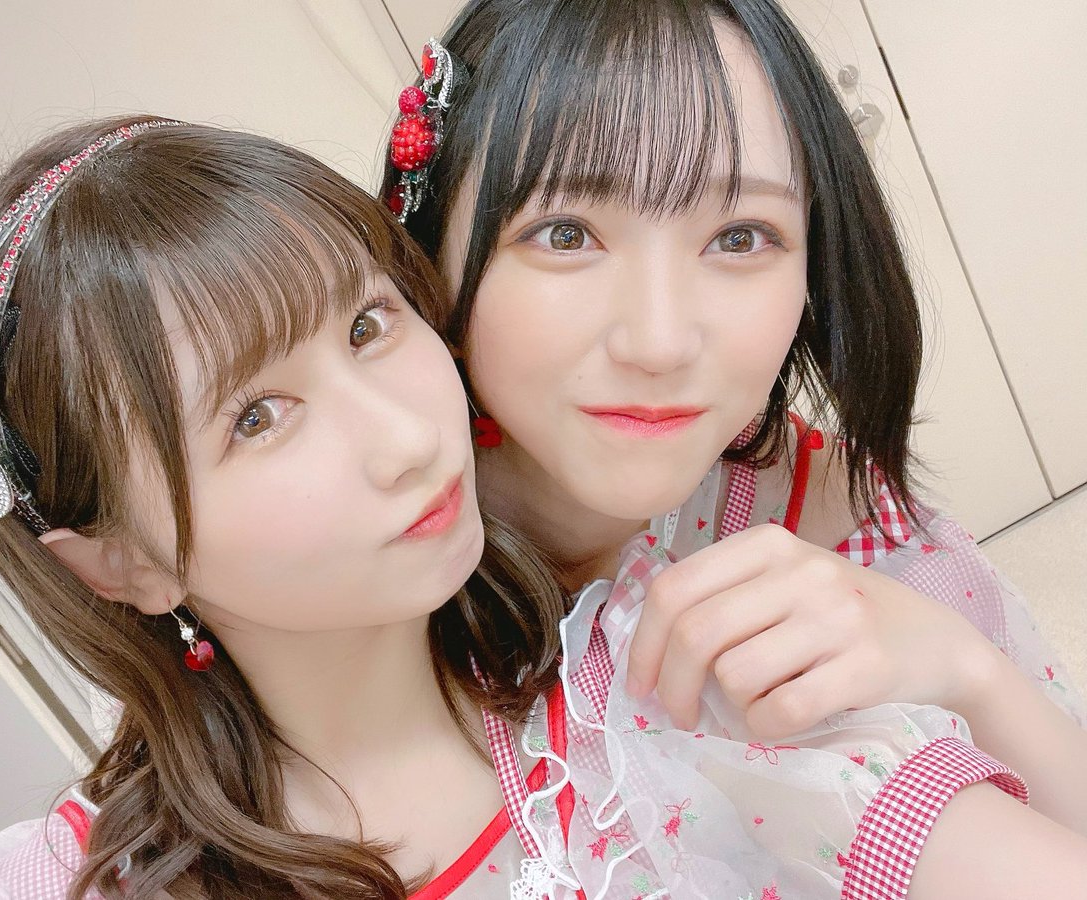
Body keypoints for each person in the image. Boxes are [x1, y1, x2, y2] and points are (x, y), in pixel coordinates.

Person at [0, 117, 1082, 900]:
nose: (408, 436)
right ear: (120, 564)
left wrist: (969, 675)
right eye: (257, 416)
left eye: (370, 325)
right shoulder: (55, 886)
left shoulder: (661, 693)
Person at [379, 0, 1087, 894]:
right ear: (426, 260)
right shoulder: (351, 611)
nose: (660, 341)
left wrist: (966, 669)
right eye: (566, 234)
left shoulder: (823, 504)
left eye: (739, 236)